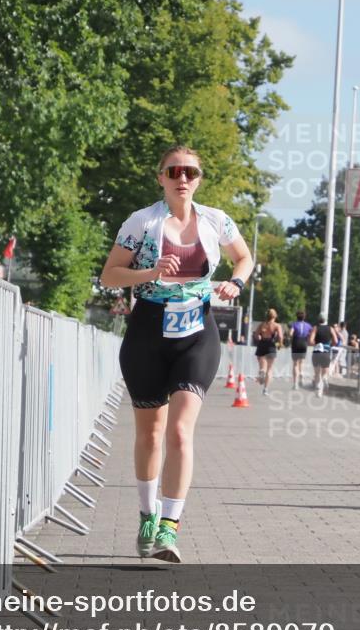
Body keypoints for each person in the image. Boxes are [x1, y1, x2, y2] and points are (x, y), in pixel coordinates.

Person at [101, 145, 253, 561]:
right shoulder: (142, 222)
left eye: (190, 172)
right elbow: (109, 275)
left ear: (199, 179)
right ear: (161, 178)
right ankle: (147, 516)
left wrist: (235, 283)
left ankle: (170, 527)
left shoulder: (216, 220)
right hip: (148, 331)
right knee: (150, 434)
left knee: (180, 431)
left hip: (197, 331)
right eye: (173, 172)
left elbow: (244, 257)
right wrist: (150, 272)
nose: (182, 178)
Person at [254, 308, 283, 395]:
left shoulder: (262, 324)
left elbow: (256, 335)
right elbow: (280, 337)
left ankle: (262, 371)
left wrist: (259, 338)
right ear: (275, 316)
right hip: (271, 345)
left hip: (262, 345)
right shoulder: (277, 325)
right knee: (269, 369)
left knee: (262, 365)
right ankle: (265, 389)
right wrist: (280, 344)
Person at [310, 315, 337, 397]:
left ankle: (318, 392)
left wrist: (316, 344)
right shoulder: (330, 328)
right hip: (326, 351)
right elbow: (335, 341)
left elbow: (311, 341)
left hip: (317, 352)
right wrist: (330, 345)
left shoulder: (315, 328)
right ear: (326, 320)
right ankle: (325, 378)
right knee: (324, 373)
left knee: (317, 373)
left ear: (318, 320)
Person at [289, 310, 312, 389]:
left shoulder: (294, 324)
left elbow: (290, 334)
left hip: (296, 343)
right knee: (301, 362)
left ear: (297, 316)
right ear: (304, 317)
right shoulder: (308, 325)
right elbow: (311, 333)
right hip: (304, 343)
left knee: (295, 364)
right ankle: (301, 374)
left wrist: (291, 337)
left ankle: (295, 384)